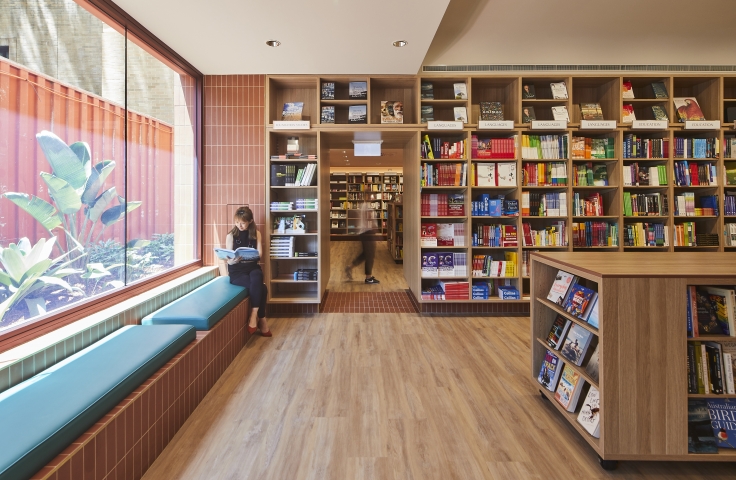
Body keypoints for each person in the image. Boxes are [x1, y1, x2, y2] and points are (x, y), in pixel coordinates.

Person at [225, 206, 272, 336]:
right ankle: (261, 320)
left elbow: (260, 254)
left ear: (250, 221)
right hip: (237, 271)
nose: (239, 225)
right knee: (262, 288)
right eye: (237, 222)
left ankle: (253, 314)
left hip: (252, 267)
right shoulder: (231, 235)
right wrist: (231, 261)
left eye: (243, 222)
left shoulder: (256, 233)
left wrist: (252, 255)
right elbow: (228, 257)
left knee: (257, 275)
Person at [345, 201, 380, 284]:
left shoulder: (364, 205)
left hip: (364, 232)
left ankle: (349, 267)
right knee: (370, 256)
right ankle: (368, 277)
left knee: (365, 254)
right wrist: (374, 229)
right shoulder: (367, 205)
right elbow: (368, 217)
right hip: (367, 233)